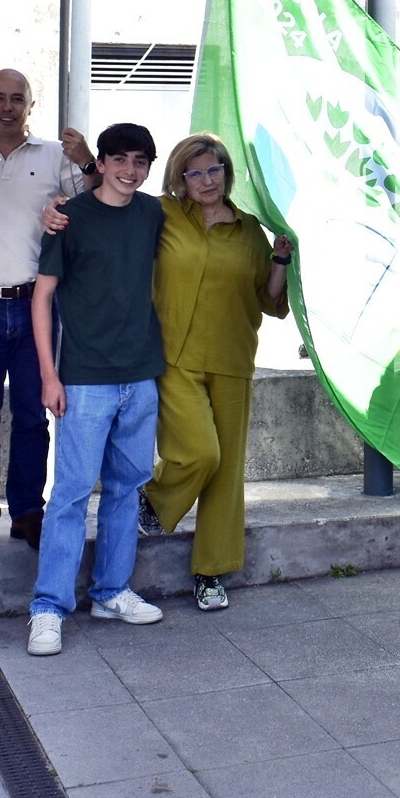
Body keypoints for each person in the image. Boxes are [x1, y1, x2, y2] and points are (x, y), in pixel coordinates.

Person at [27, 124, 169, 654]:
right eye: (120, 159)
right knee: (69, 494)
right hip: (85, 379)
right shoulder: (69, 218)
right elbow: (42, 297)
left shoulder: (153, 212)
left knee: (126, 489)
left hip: (140, 374)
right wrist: (49, 374)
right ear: (102, 163)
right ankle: (48, 606)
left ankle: (111, 591)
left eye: (140, 161)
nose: (130, 170)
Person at [139, 133, 292, 612]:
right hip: (174, 357)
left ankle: (210, 572)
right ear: (180, 179)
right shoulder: (162, 214)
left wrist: (280, 260)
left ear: (226, 173)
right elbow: (112, 209)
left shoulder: (249, 231)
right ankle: (156, 499)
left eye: (214, 170)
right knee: (200, 453)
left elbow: (269, 300)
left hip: (232, 357)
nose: (206, 181)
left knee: (226, 472)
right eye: (195, 173)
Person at [0, 69, 87, 555]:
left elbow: (92, 202)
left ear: (31, 104)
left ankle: (28, 511)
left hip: (37, 306)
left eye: (17, 99)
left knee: (32, 414)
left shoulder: (55, 156)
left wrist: (86, 160)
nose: (7, 107)